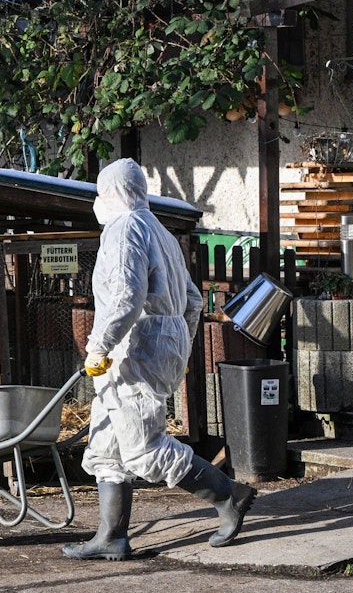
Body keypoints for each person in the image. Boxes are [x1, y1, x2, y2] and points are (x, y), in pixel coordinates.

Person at [62, 158, 257, 561]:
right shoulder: (161, 232)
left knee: (143, 448)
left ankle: (229, 496)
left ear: (112, 193)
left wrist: (99, 345)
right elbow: (192, 300)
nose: (98, 202)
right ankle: (111, 537)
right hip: (158, 343)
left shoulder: (123, 229)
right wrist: (178, 344)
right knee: (106, 446)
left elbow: (123, 297)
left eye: (101, 193)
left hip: (133, 347)